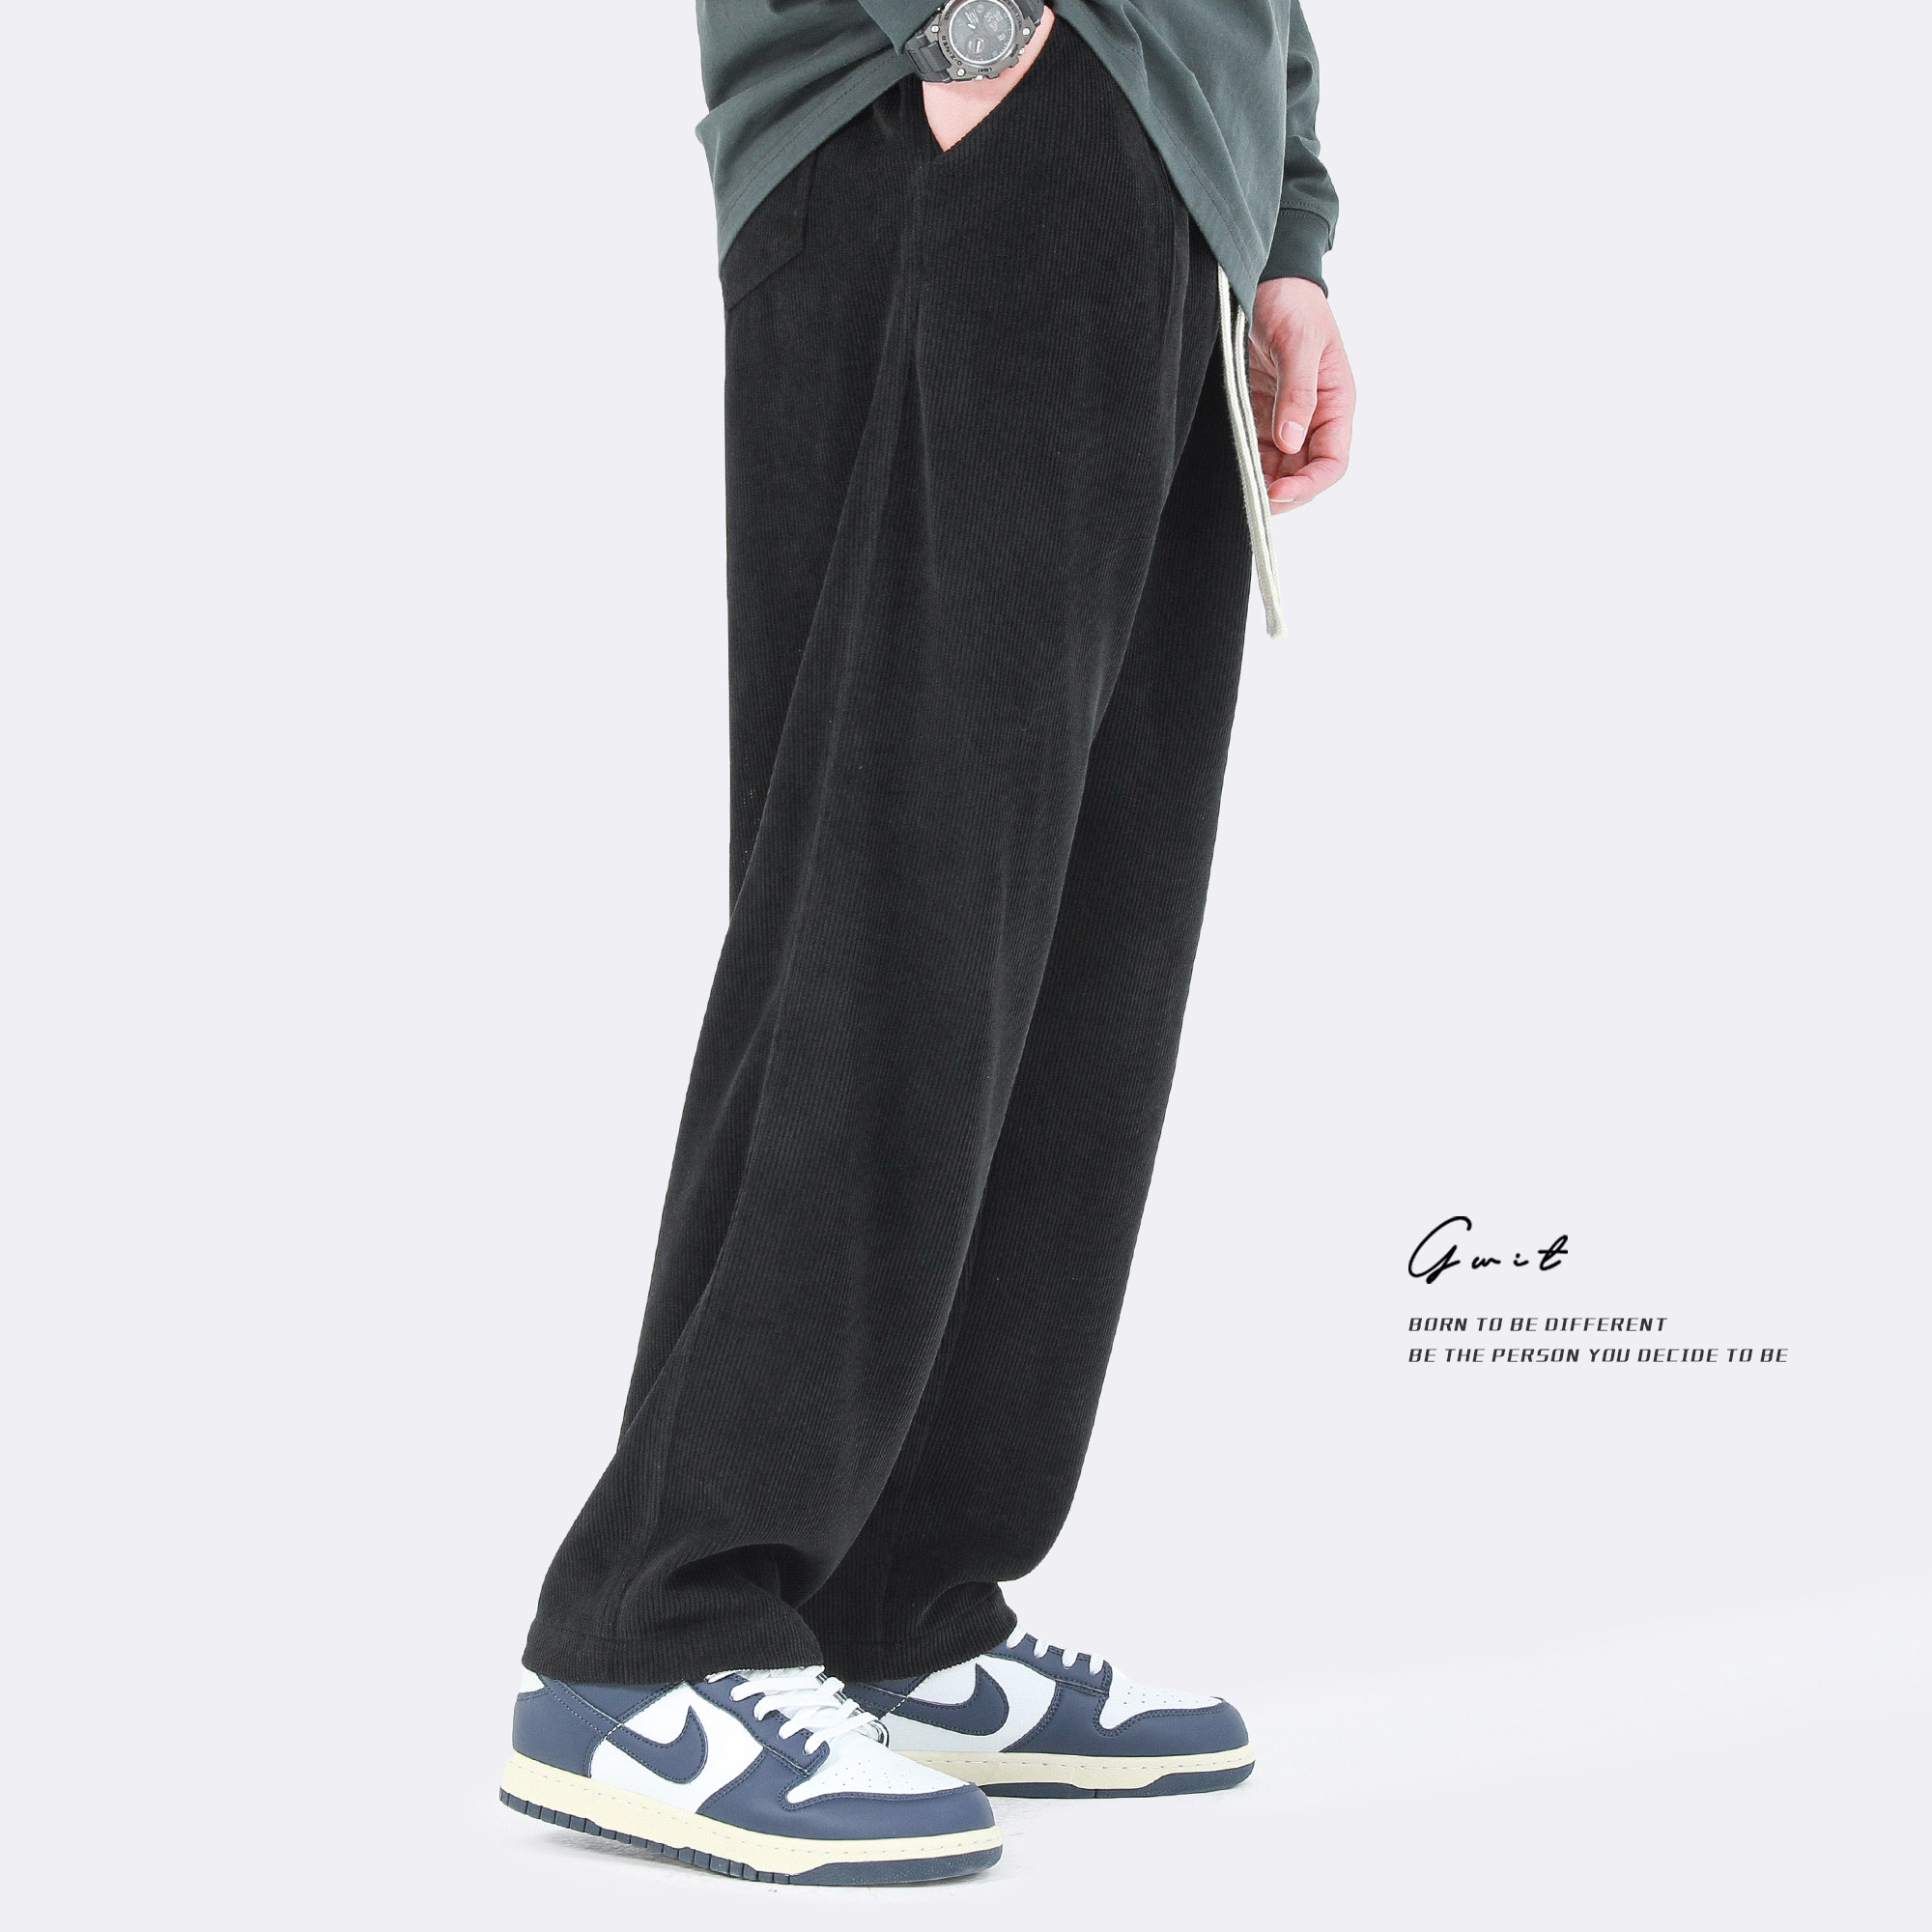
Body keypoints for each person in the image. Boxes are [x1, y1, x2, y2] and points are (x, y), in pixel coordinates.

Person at [499, 0, 1352, 1886]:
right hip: (963, 116)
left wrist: (1281, 221)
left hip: (1171, 176)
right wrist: (968, 36)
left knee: (1082, 951)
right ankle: (661, 1623)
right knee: (895, 889)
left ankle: (896, 1597)